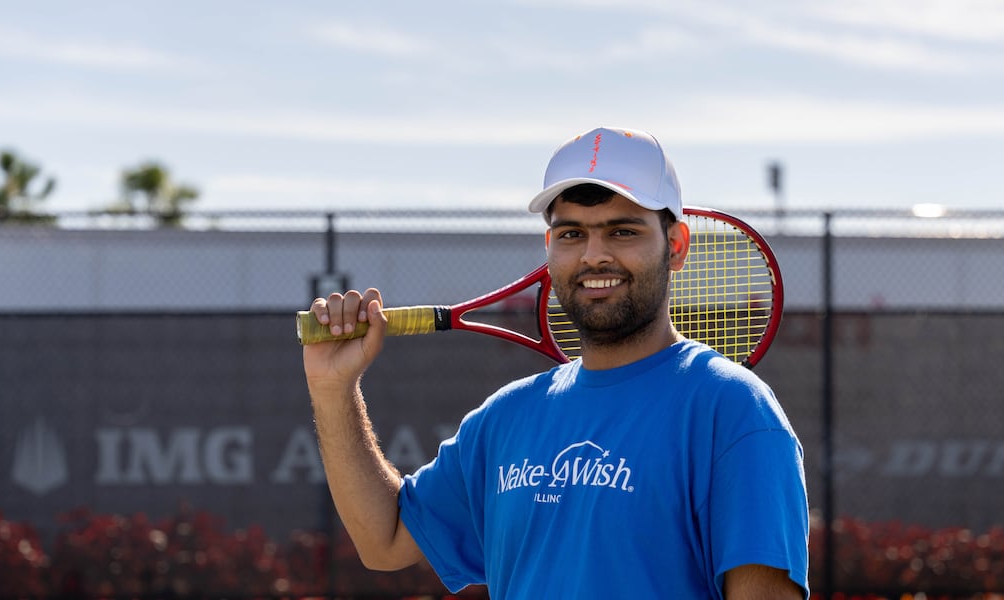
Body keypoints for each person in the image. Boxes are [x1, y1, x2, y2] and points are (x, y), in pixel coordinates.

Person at [304, 126, 809, 599]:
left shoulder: (734, 410)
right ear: (550, 248)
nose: (594, 255)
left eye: (623, 231)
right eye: (571, 234)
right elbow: (385, 539)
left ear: (675, 246)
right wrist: (334, 390)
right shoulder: (505, 418)